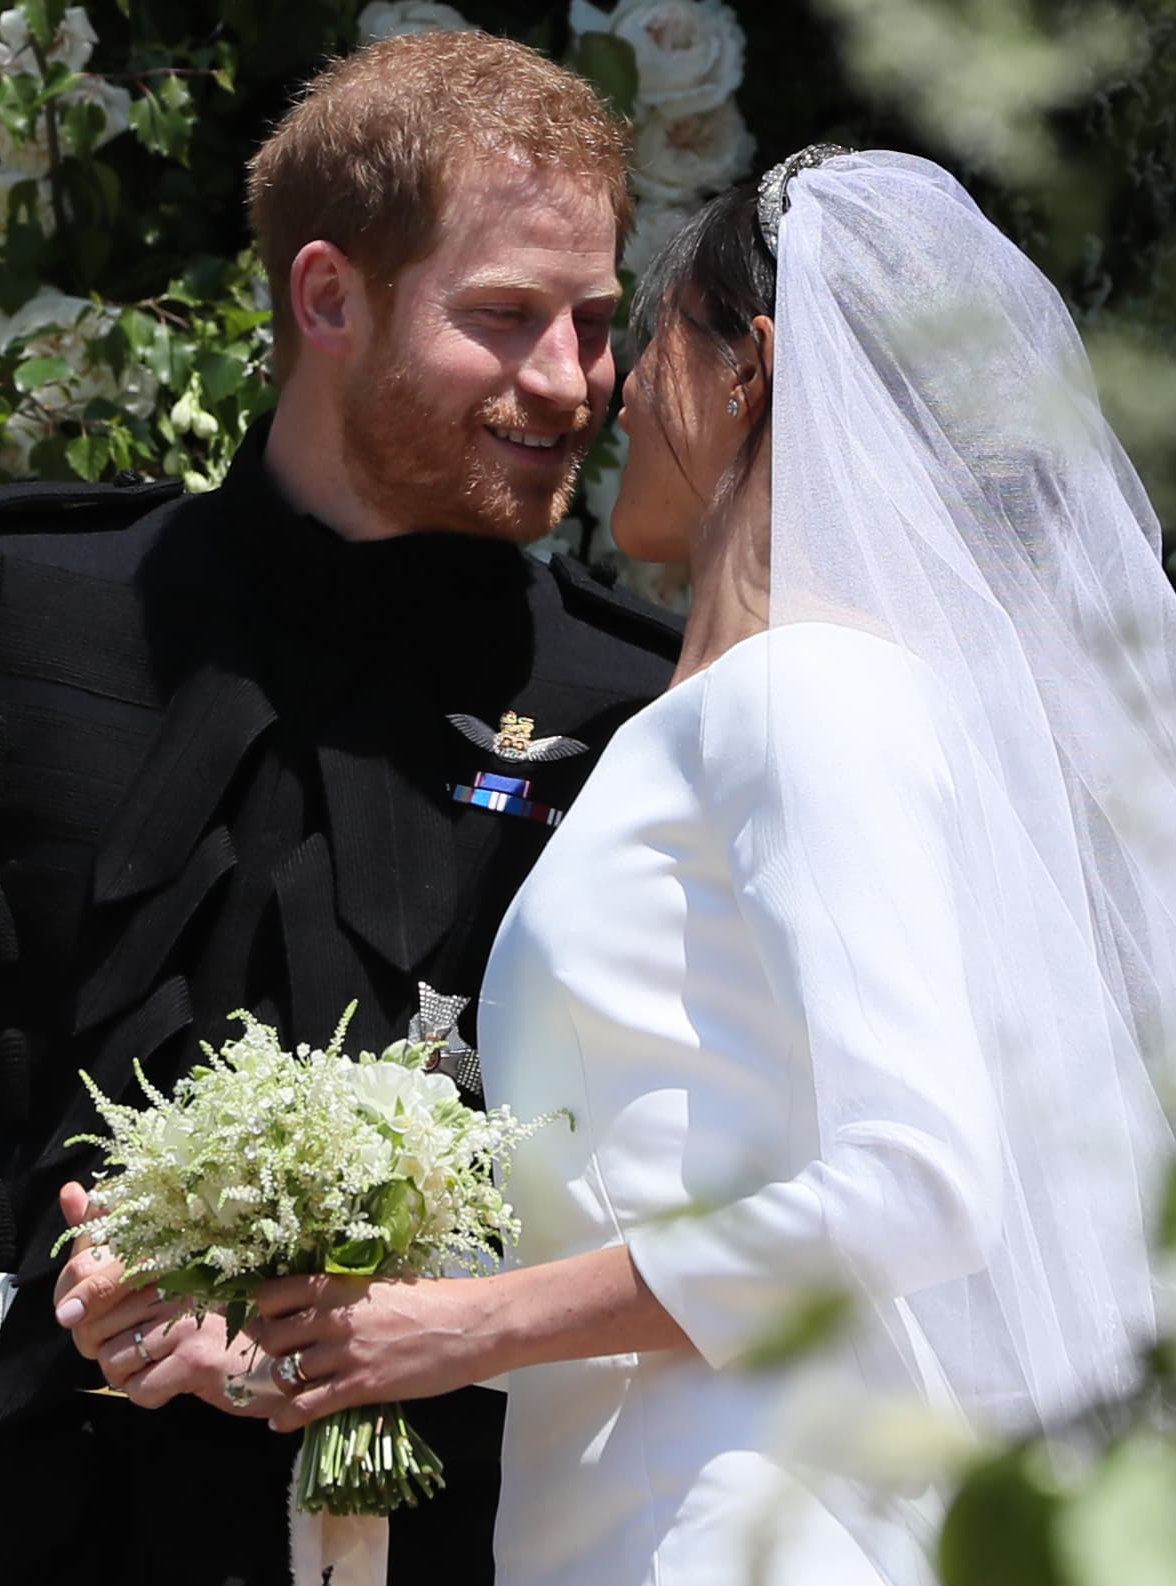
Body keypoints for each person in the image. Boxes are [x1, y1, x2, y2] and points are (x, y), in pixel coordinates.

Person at [219, 149, 1176, 1584]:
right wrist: (300, 1295)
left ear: (750, 371)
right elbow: (657, 1225)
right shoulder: (764, 713)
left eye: (644, 336)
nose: (601, 394)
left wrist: (467, 1324)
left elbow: (919, 1183)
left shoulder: (808, 701)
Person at [0, 32, 682, 1586]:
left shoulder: (633, 705)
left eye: (596, 324)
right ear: (327, 298)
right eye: (506, 318)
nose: (571, 382)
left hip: (437, 1537)